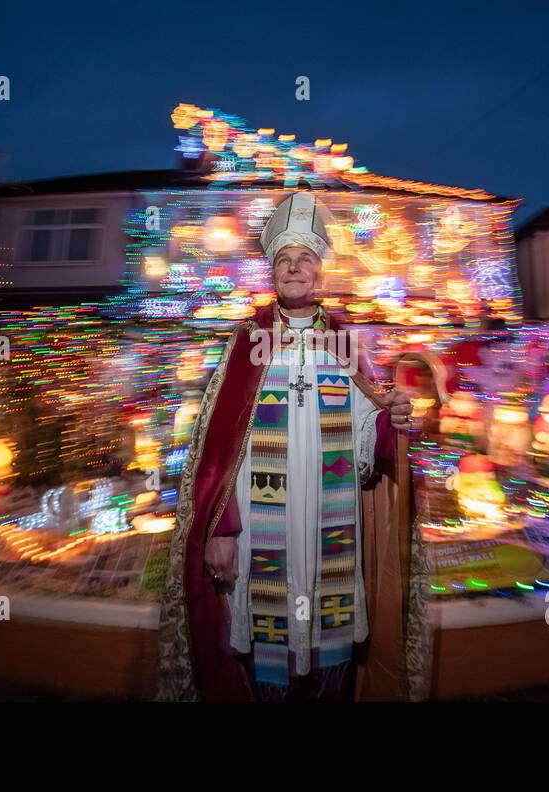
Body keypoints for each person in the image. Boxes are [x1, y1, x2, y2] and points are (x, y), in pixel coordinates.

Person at [156, 192, 430, 701]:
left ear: (320, 270)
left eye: (305, 258)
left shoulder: (345, 342)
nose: (295, 268)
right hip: (263, 535)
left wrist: (390, 421)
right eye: (284, 259)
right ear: (273, 272)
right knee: (266, 661)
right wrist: (223, 530)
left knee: (329, 659)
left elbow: (366, 436)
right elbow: (218, 452)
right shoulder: (247, 342)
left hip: (331, 529)